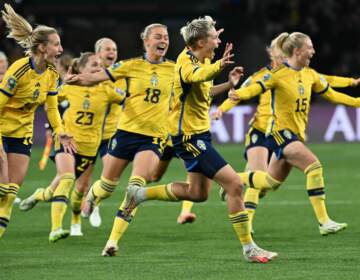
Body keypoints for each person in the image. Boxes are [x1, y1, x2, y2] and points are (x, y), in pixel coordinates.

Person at [108, 16, 278, 263]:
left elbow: (205, 91)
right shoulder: (185, 61)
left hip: (199, 133)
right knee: (234, 185)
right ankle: (249, 248)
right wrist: (219, 65)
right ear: (200, 42)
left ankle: (140, 195)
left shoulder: (203, 59)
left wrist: (227, 83)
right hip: (188, 137)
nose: (218, 41)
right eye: (214, 38)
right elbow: (195, 77)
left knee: (197, 194)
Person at [214, 33, 360, 234]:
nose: (313, 51)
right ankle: (324, 222)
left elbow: (332, 93)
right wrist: (232, 98)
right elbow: (253, 88)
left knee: (269, 183)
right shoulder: (274, 75)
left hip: (295, 134)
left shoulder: (310, 75)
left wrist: (356, 98)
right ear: (297, 51)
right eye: (310, 47)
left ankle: (233, 180)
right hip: (277, 132)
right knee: (314, 166)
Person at [66, 24, 177, 252]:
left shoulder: (175, 69)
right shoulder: (130, 65)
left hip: (153, 137)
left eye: (166, 37)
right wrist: (77, 79)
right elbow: (97, 78)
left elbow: (202, 88)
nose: (163, 40)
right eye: (158, 36)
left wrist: (226, 84)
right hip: (126, 132)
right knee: (107, 186)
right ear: (146, 41)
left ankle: (112, 241)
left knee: (135, 189)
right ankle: (92, 198)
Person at [20, 52, 126, 241]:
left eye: (100, 65)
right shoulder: (70, 87)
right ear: (81, 69)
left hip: (90, 147)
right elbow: (48, 101)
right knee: (67, 178)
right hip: (67, 140)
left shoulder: (107, 89)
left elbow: (128, 99)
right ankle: (56, 229)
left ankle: (51, 203)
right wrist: (55, 126)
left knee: (79, 188)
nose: (99, 68)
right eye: (94, 64)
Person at [0, 3, 74, 238]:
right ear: (42, 48)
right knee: (2, 189)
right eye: (56, 44)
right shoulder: (18, 71)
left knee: (10, 193)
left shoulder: (52, 73)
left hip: (21, 134)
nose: (61, 48)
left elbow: (51, 106)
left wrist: (59, 130)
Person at [88, 37, 123, 228]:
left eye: (115, 49)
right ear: (98, 54)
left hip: (109, 136)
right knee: (80, 182)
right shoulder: (88, 74)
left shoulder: (122, 74)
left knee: (109, 177)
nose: (112, 52)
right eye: (108, 49)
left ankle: (95, 204)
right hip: (84, 135)